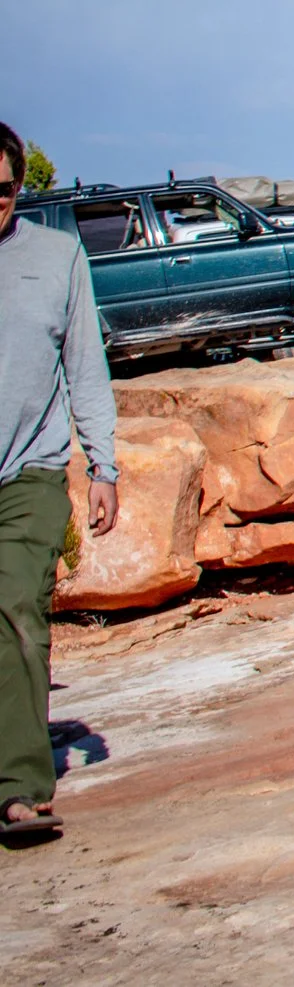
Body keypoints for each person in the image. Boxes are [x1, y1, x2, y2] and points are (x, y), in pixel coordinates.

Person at [0, 121, 117, 840]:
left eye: (3, 190)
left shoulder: (57, 256)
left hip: (29, 471)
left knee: (16, 607)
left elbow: (85, 368)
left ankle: (19, 786)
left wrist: (103, 463)